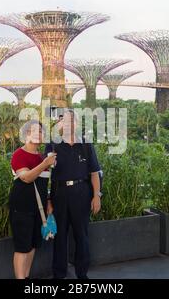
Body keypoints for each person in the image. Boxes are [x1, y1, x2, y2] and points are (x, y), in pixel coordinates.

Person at [45, 110, 102, 279]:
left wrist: (96, 195)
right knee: (60, 237)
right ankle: (59, 275)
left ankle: (82, 275)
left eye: (72, 121)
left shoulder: (85, 143)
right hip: (59, 194)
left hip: (82, 194)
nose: (69, 124)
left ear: (77, 124)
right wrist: (48, 200)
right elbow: (45, 174)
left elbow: (94, 172)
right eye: (65, 121)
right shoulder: (52, 144)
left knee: (82, 236)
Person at [9, 120, 57, 279]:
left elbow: (44, 184)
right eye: (33, 131)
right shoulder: (19, 155)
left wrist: (49, 200)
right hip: (22, 208)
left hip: (39, 208)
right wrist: (44, 164)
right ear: (26, 135)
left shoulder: (42, 157)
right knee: (22, 247)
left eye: (40, 131)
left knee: (33, 245)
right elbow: (27, 178)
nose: (38, 134)